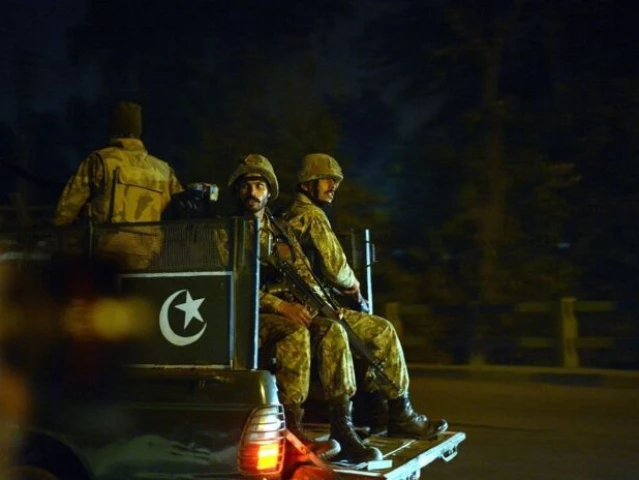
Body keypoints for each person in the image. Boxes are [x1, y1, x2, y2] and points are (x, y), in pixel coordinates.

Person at [280, 153, 448, 439]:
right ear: (307, 184)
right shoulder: (312, 216)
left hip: (307, 303)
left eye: (335, 181)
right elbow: (335, 266)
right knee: (382, 331)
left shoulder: (288, 215)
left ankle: (377, 413)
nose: (333, 186)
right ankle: (401, 414)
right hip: (314, 307)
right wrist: (353, 285)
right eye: (327, 180)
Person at [228, 154, 382, 463]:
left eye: (259, 185)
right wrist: (279, 305)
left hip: (284, 307)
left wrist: (325, 306)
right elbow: (231, 285)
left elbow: (305, 275)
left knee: (333, 330)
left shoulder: (281, 231)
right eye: (246, 186)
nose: (252, 192)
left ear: (269, 192)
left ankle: (342, 425)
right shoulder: (227, 232)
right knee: (294, 332)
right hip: (246, 314)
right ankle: (292, 429)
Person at [54, 101, 184, 269]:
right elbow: (182, 213)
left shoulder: (100, 160)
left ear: (113, 129)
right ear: (138, 131)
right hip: (147, 255)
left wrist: (67, 248)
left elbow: (65, 213)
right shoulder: (163, 170)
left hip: (106, 255)